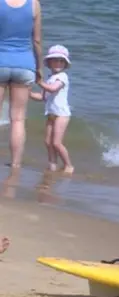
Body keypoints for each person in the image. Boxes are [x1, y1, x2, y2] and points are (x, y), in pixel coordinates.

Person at [0, 0, 43, 168]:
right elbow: (37, 41)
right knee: (18, 119)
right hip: (25, 64)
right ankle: (16, 164)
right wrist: (39, 68)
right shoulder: (34, 4)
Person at [29, 45, 73, 174]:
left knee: (56, 143)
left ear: (65, 63)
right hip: (51, 113)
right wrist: (28, 93)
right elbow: (43, 97)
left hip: (61, 114)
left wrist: (39, 82)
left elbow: (53, 88)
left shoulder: (63, 76)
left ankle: (69, 165)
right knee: (48, 142)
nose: (58, 63)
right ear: (48, 62)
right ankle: (52, 164)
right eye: (55, 60)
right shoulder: (50, 79)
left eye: (61, 60)